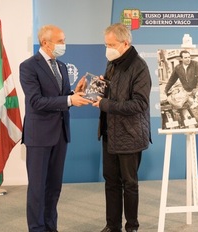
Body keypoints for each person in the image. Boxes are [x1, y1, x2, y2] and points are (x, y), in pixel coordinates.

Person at [19, 24, 92, 232]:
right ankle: (37, 229)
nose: (63, 45)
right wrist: (69, 100)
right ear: (45, 43)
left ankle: (51, 227)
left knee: (53, 187)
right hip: (39, 136)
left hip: (60, 134)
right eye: (60, 41)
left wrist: (74, 91)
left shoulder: (60, 66)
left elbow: (60, 95)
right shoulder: (28, 66)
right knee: (37, 189)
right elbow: (36, 101)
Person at [92, 23, 152, 232]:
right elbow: (112, 91)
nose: (107, 48)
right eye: (106, 44)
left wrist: (105, 104)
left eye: (111, 44)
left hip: (130, 134)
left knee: (129, 184)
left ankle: (132, 227)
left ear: (125, 43)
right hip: (110, 132)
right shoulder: (113, 63)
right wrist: (100, 86)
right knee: (111, 182)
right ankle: (112, 225)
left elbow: (139, 104)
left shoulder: (139, 67)